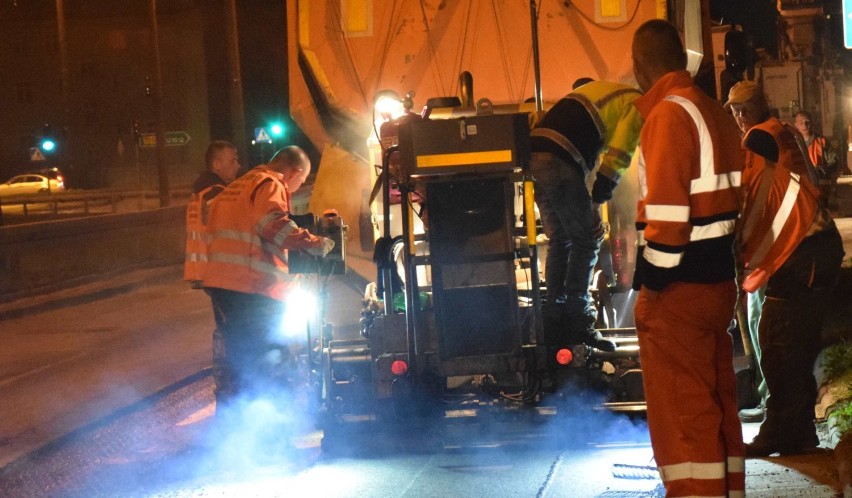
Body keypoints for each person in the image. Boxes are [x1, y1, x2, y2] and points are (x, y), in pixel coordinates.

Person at [630, 20, 745, 496]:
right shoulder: (713, 111)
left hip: (678, 290)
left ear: (641, 66)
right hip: (717, 282)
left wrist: (649, 289)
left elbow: (669, 222)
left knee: (684, 416)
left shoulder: (667, 115)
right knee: (715, 403)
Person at [727, 82, 845, 457]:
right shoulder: (784, 132)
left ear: (751, 109)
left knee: (779, 344)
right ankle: (798, 432)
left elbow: (751, 200)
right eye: (734, 110)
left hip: (803, 253)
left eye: (740, 109)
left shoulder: (756, 141)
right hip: (811, 248)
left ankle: (779, 432)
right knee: (792, 346)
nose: (737, 117)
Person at [202, 146, 335, 409]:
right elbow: (272, 224)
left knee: (240, 359)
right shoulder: (270, 183)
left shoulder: (238, 186)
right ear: (294, 172)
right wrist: (315, 243)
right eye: (300, 182)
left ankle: (237, 422)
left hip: (222, 285)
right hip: (253, 288)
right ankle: (275, 429)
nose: (296, 188)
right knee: (273, 357)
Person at [529, 77, 643, 352]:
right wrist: (602, 192)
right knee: (588, 239)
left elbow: (587, 165)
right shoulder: (637, 105)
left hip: (537, 155)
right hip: (560, 158)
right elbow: (619, 154)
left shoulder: (605, 94)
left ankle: (554, 321)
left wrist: (590, 199)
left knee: (560, 240)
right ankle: (579, 323)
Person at [184, 140, 241, 407]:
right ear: (217, 164)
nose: (238, 166)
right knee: (230, 335)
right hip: (221, 272)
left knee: (227, 331)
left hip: (211, 272)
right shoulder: (215, 194)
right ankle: (229, 394)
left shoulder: (203, 191)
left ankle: (229, 392)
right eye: (233, 161)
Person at [795, 110, 840, 212]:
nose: (805, 125)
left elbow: (833, 161)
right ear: (796, 125)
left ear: (812, 123)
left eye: (807, 122)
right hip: (801, 188)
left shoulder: (821, 141)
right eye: (801, 123)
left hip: (820, 189)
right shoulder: (793, 143)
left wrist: (822, 171)